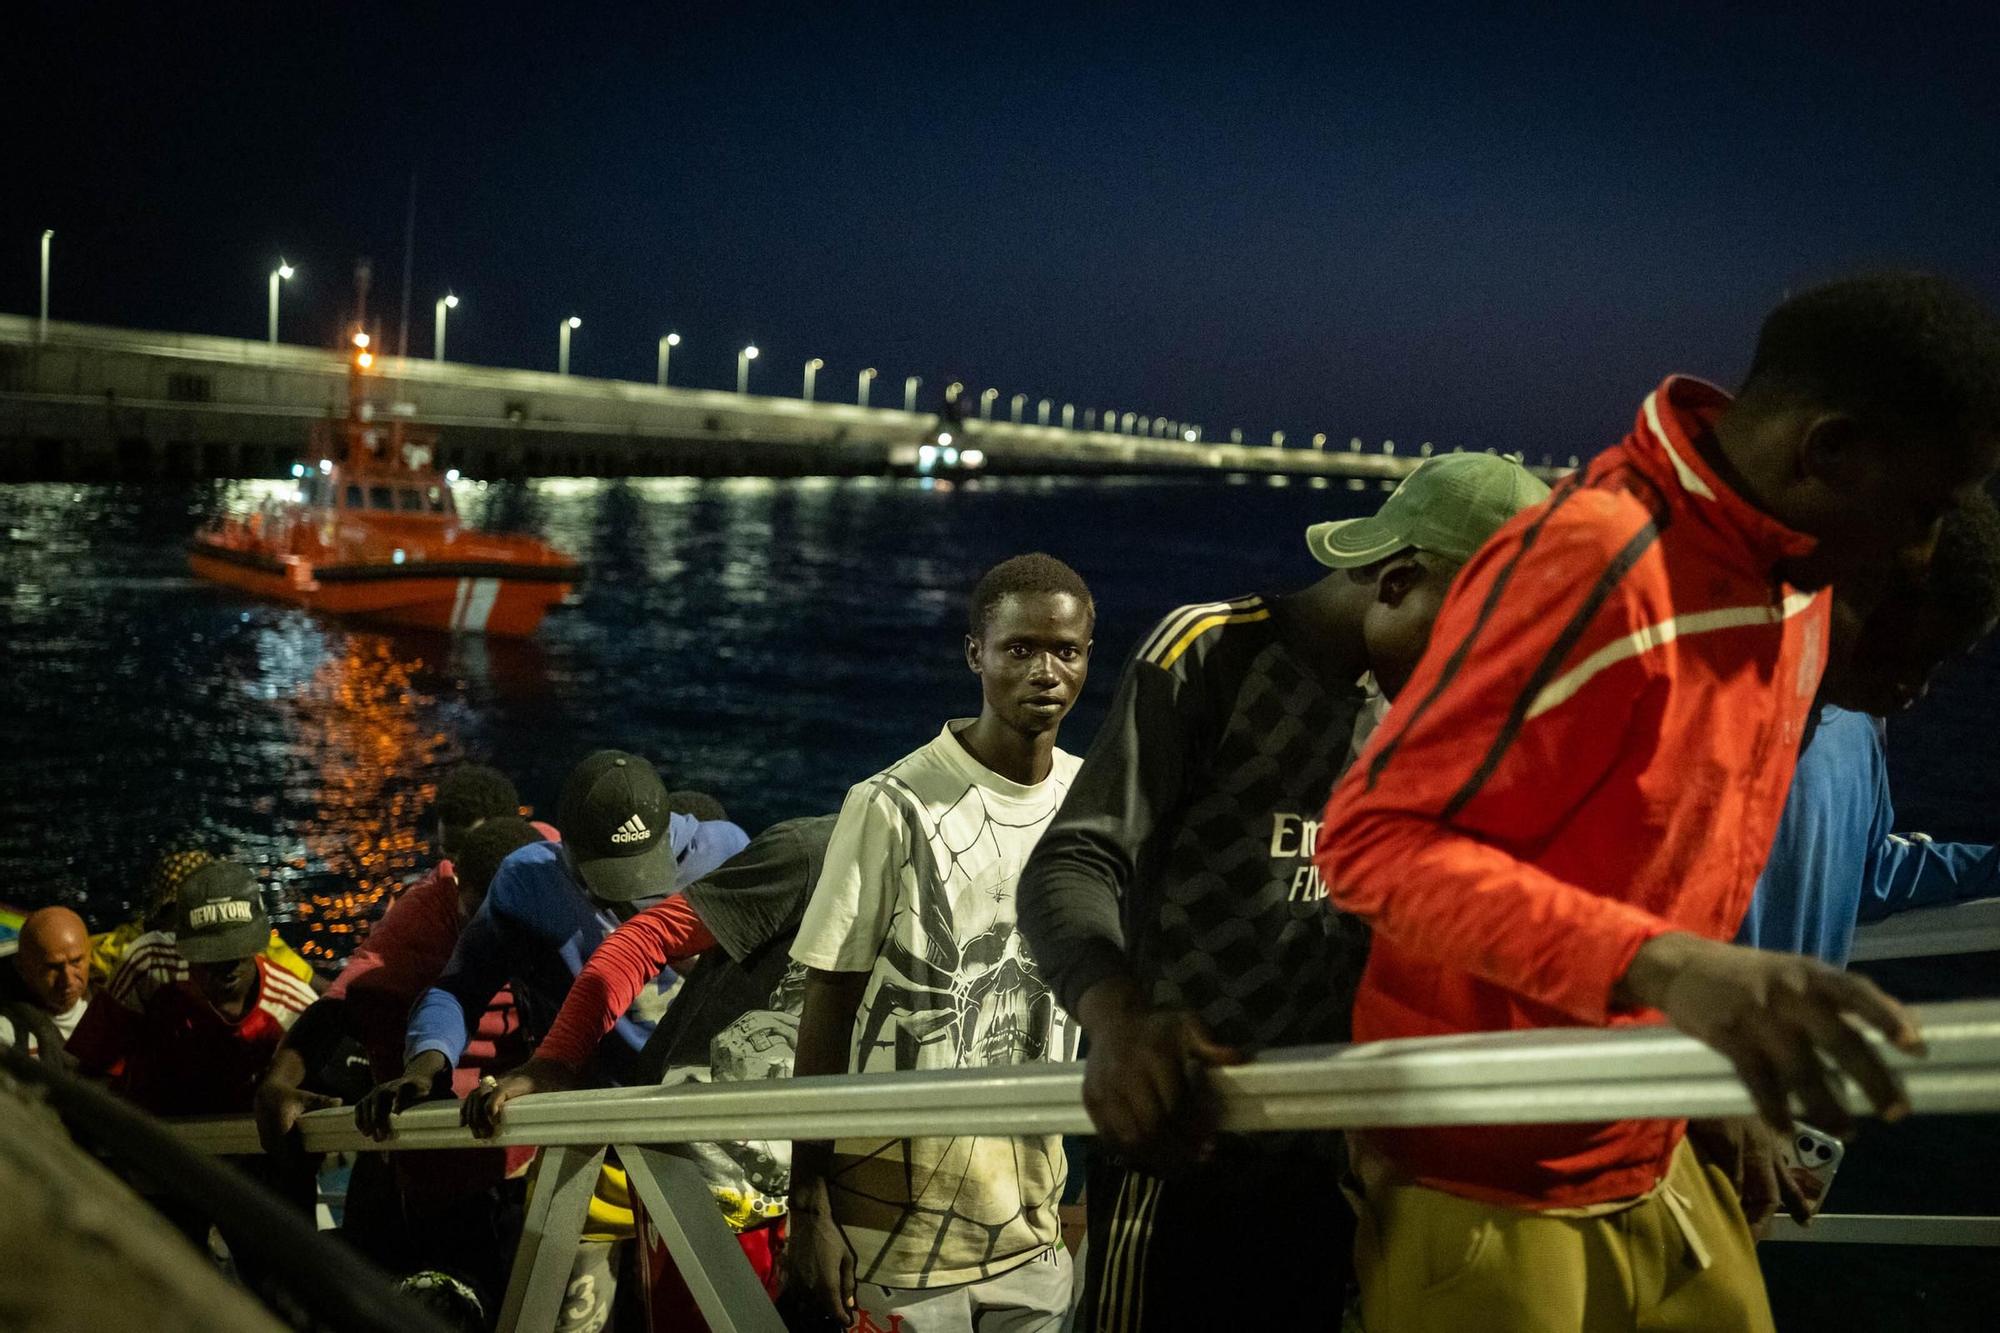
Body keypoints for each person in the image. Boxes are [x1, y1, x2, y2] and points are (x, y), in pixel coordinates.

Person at [1314, 273, 2000, 1332]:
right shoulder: (1596, 559)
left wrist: (1698, 1079)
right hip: (1488, 1172)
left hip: (1654, 1141)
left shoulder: (1797, 596)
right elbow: (1370, 845)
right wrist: (1669, 968)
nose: (1920, 552)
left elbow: (1678, 865)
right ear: (1825, 452)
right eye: (1923, 510)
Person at [1015, 452, 1549, 1328]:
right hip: (1182, 1153)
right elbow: (1076, 859)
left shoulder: (1413, 711)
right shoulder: (1211, 651)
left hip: (1327, 1166)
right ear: (1397, 581)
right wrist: (1116, 1017)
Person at [786, 553, 1096, 1332]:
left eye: (1066, 650)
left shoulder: (1093, 800)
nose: (1047, 671)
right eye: (1020, 648)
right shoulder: (891, 805)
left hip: (1033, 1226)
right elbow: (829, 1001)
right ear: (974, 654)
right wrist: (808, 1205)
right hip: (893, 1241)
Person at [358, 750, 747, 1333]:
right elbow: (460, 986)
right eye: (608, 880)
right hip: (592, 1134)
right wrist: (427, 1062)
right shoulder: (528, 882)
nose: (625, 898)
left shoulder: (728, 855)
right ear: (566, 850)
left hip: (711, 1134)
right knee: (572, 1318)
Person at [463, 814, 839, 1313]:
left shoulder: (726, 845)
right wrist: (554, 1060)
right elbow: (642, 939)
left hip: (804, 1158)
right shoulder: (812, 852)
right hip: (693, 1158)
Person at [1740, 493, 2000, 967]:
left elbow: (1864, 871)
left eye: (1936, 663)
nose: (1914, 687)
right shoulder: (1714, 715)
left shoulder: (1859, 722)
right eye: (1904, 653)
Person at [68, 861, 318, 1115]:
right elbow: (90, 1070)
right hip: (146, 1129)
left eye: (237, 950)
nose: (226, 965)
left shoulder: (297, 1010)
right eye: (211, 954)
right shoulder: (147, 966)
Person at [90, 846, 315, 989]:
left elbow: (314, 984)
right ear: (159, 918)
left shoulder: (251, 942)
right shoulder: (125, 948)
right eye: (186, 912)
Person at [0, 906, 94, 1060]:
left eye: (76, 961)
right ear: (22, 968)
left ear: (90, 955)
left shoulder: (114, 1004)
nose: (68, 980)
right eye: (53, 967)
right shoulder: (7, 1032)